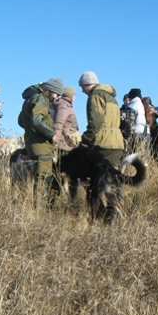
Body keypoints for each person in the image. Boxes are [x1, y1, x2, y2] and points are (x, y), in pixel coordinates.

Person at [78, 71, 126, 222]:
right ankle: (113, 210)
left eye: (83, 87)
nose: (82, 91)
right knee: (111, 178)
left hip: (102, 143)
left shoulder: (95, 96)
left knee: (92, 180)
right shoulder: (111, 97)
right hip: (116, 143)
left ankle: (102, 213)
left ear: (88, 84)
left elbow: (96, 122)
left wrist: (85, 140)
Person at [18, 77, 64, 204]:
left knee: (40, 177)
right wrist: (51, 134)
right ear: (50, 90)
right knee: (43, 179)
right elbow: (37, 120)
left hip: (31, 143)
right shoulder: (41, 99)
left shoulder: (30, 98)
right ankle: (40, 212)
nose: (56, 97)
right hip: (41, 145)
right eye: (56, 94)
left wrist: (30, 131)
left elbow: (21, 120)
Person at [52, 86, 81, 152]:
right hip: (65, 141)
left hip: (68, 140)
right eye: (74, 94)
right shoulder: (63, 105)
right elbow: (59, 122)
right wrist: (56, 137)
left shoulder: (66, 104)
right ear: (71, 95)